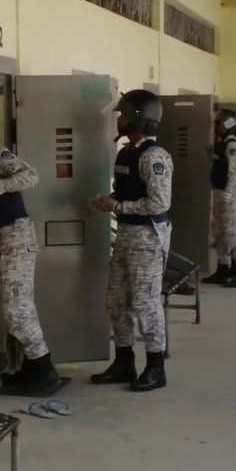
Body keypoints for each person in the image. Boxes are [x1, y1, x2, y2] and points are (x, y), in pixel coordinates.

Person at [89, 90, 172, 392]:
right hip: (126, 235)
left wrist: (118, 206)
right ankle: (124, 362)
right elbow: (127, 191)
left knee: (146, 304)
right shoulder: (127, 152)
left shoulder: (154, 156)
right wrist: (108, 200)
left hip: (147, 237)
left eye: (123, 114)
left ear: (138, 118)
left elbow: (159, 203)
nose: (119, 119)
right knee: (116, 301)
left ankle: (156, 367)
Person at [0, 111, 60, 393]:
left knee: (17, 311)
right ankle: (31, 368)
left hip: (14, 238)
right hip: (0, 240)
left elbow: (31, 176)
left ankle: (44, 371)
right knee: (17, 308)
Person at [203, 109, 236, 288]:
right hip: (219, 193)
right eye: (216, 124)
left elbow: (235, 175)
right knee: (220, 234)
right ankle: (222, 269)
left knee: (234, 234)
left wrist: (226, 197)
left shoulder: (232, 145)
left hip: (229, 195)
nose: (217, 127)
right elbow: (220, 165)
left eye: (220, 124)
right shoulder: (222, 144)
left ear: (230, 125)